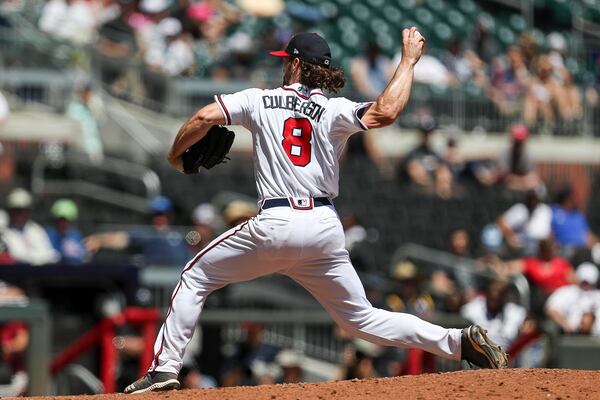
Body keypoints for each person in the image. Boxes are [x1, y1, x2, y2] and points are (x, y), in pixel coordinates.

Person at [124, 29, 507, 394]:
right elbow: (386, 112)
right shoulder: (333, 109)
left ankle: (165, 368)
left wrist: (176, 155)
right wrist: (408, 61)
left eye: (284, 60)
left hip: (277, 221)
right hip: (324, 227)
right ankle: (457, 341)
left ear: (293, 64)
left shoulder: (259, 98)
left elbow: (205, 117)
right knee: (361, 318)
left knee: (195, 275)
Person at [461, 280, 527, 350]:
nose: (495, 297)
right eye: (492, 298)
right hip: (476, 355)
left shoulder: (517, 313)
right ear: (486, 293)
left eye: (499, 297)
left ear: (505, 296)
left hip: (507, 356)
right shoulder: (470, 310)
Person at [2, 189, 59, 265]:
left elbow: (51, 255)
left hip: (39, 274)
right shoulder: (3, 232)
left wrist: (33, 258)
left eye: (23, 210)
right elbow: (15, 256)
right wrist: (37, 258)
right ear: (10, 211)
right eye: (16, 210)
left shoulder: (36, 230)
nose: (20, 214)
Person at [545, 262, 600, 335]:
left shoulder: (597, 295)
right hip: (572, 337)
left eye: (589, 283)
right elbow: (551, 309)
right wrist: (565, 324)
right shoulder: (567, 292)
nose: (586, 285)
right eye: (584, 282)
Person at [496, 187, 552, 255]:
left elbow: (549, 231)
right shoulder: (520, 209)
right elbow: (501, 221)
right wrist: (509, 235)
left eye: (535, 198)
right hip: (523, 247)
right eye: (531, 198)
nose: (533, 201)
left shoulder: (545, 210)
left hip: (541, 248)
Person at [45, 199, 87, 265]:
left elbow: (82, 256)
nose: (63, 223)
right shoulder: (48, 235)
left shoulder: (76, 235)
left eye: (67, 220)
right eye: (60, 219)